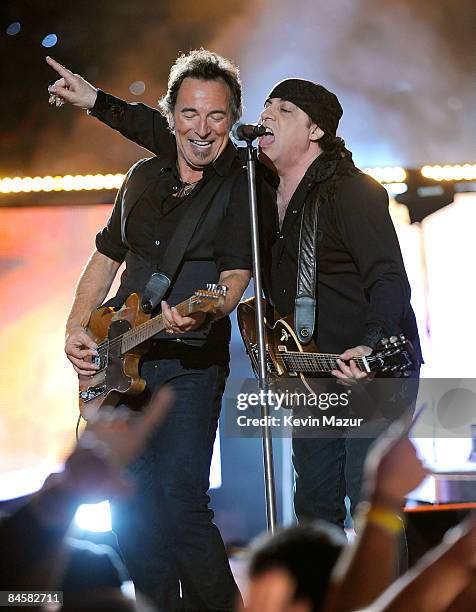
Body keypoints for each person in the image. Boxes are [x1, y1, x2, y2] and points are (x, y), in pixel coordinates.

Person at [47, 61, 421, 526]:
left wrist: (371, 340)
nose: (267, 115)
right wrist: (97, 102)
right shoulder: (256, 181)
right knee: (316, 511)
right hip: (314, 373)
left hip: (372, 368)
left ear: (316, 130)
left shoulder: (352, 192)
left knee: (371, 511)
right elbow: (175, 136)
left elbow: (388, 277)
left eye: (284, 110)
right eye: (267, 105)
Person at [47, 50, 253, 611]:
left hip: (189, 363)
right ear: (171, 115)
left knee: (180, 498)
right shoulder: (141, 176)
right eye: (189, 114)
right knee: (130, 508)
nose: (202, 129)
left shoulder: (240, 185)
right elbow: (103, 261)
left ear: (232, 119)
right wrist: (75, 329)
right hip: (117, 362)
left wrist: (210, 308)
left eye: (215, 116)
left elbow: (235, 277)